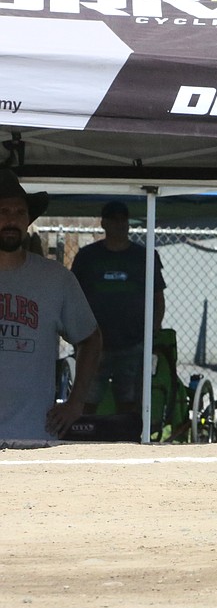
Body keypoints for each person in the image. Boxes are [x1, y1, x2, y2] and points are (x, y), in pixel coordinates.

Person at [0, 170, 102, 444]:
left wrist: (76, 402)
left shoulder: (56, 279)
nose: (11, 219)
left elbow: (90, 340)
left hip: (34, 436)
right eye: (3, 210)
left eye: (20, 212)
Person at [70, 200, 166, 415]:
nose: (119, 224)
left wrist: (154, 329)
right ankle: (81, 444)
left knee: (130, 403)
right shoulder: (87, 257)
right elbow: (72, 297)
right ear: (103, 223)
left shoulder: (145, 256)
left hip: (133, 344)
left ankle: (129, 443)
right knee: (86, 402)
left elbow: (158, 296)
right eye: (113, 219)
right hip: (93, 343)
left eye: (123, 219)